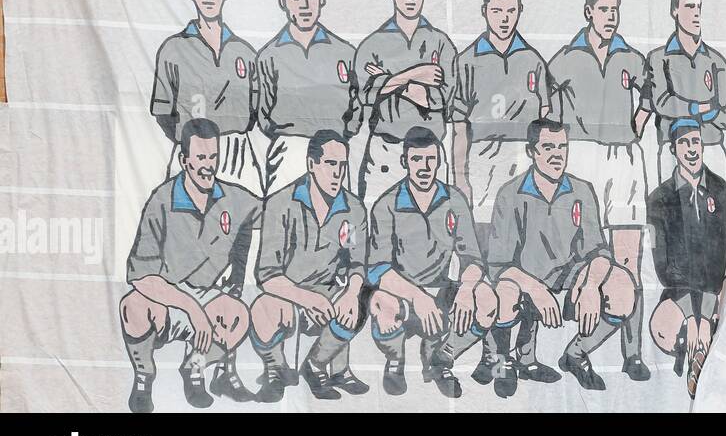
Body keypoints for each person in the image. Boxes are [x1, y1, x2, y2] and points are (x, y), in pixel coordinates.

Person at [548, 0, 655, 382]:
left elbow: (648, 99)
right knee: (586, 256)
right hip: (581, 157)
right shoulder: (563, 58)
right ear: (588, 11)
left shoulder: (632, 56)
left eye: (616, 10)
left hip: (623, 158)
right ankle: (577, 344)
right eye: (604, 10)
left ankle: (631, 354)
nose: (610, 17)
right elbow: (551, 112)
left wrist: (633, 128)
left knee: (629, 259)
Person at [486, 119, 637, 395]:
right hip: (527, 285)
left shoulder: (582, 189)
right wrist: (535, 288)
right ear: (531, 151)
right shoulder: (510, 193)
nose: (557, 154)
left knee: (622, 286)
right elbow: (498, 266)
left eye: (562, 147)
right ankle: (507, 363)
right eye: (547, 147)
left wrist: (590, 285)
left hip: (570, 283)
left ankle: (575, 355)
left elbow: (599, 251)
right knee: (503, 294)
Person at [120, 117, 261, 412]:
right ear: (184, 160)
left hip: (207, 298)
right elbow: (141, 277)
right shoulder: (162, 200)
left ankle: (194, 367)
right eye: (200, 158)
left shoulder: (232, 197)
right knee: (132, 306)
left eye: (213, 157)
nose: (209, 165)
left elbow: (271, 212)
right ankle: (144, 376)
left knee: (239, 316)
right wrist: (190, 308)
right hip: (168, 298)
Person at [366, 127, 497, 398]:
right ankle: (395, 358)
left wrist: (466, 287)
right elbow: (378, 268)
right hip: (401, 294)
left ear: (439, 161)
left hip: (441, 290)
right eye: (416, 160)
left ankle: (441, 357)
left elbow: (472, 258)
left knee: (486, 298)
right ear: (405, 162)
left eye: (430, 160)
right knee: (380, 303)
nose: (424, 167)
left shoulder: (454, 200)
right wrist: (417, 298)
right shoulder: (386, 204)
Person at [249, 129, 371, 402]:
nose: (337, 173)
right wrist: (305, 298)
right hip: (289, 293)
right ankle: (275, 369)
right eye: (330, 164)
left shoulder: (353, 208)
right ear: (312, 164)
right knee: (261, 307)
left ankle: (316, 366)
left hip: (328, 293)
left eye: (342, 166)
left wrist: (350, 293)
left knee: (362, 293)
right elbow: (267, 275)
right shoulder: (281, 203)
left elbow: (356, 262)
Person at [151, 0, 262, 193]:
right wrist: (191, 143)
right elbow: (162, 111)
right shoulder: (173, 49)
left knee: (243, 221)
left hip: (236, 153)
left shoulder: (245, 52)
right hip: (193, 151)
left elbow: (256, 109)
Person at [354, 0, 458, 203]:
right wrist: (416, 74)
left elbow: (442, 98)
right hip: (386, 152)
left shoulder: (441, 43)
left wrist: (388, 81)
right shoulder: (373, 44)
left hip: (429, 153)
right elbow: (366, 94)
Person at [451, 0, 552, 225]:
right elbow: (458, 127)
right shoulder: (467, 61)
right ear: (484, 11)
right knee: (485, 233)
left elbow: (546, 117)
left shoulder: (533, 60)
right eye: (497, 11)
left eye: (511, 11)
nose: (504, 19)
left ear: (520, 10)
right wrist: (461, 180)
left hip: (524, 159)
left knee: (526, 230)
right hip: (482, 159)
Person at [256, 0, 362, 195]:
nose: (304, 4)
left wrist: (339, 137)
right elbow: (263, 116)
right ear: (282, 1)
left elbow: (357, 107)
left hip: (334, 151)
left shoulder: (345, 53)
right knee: (283, 222)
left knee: (337, 222)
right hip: (288, 153)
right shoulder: (269, 56)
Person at [647, 119, 726, 399]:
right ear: (674, 149)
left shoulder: (719, 189)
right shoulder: (659, 198)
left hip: (710, 290)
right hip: (677, 292)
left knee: (713, 327)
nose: (691, 149)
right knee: (665, 329)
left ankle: (700, 367)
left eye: (695, 141)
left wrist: (704, 314)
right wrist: (689, 317)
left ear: (702, 145)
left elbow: (719, 255)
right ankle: (693, 357)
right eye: (684, 143)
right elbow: (663, 266)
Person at [644, 0, 726, 185]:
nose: (696, 13)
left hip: (711, 146)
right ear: (675, 10)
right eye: (689, 6)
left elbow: (723, 114)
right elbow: (662, 103)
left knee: (715, 212)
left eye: (699, 7)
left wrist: (682, 109)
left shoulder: (716, 60)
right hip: (671, 148)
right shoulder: (658, 58)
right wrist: (700, 107)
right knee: (669, 213)